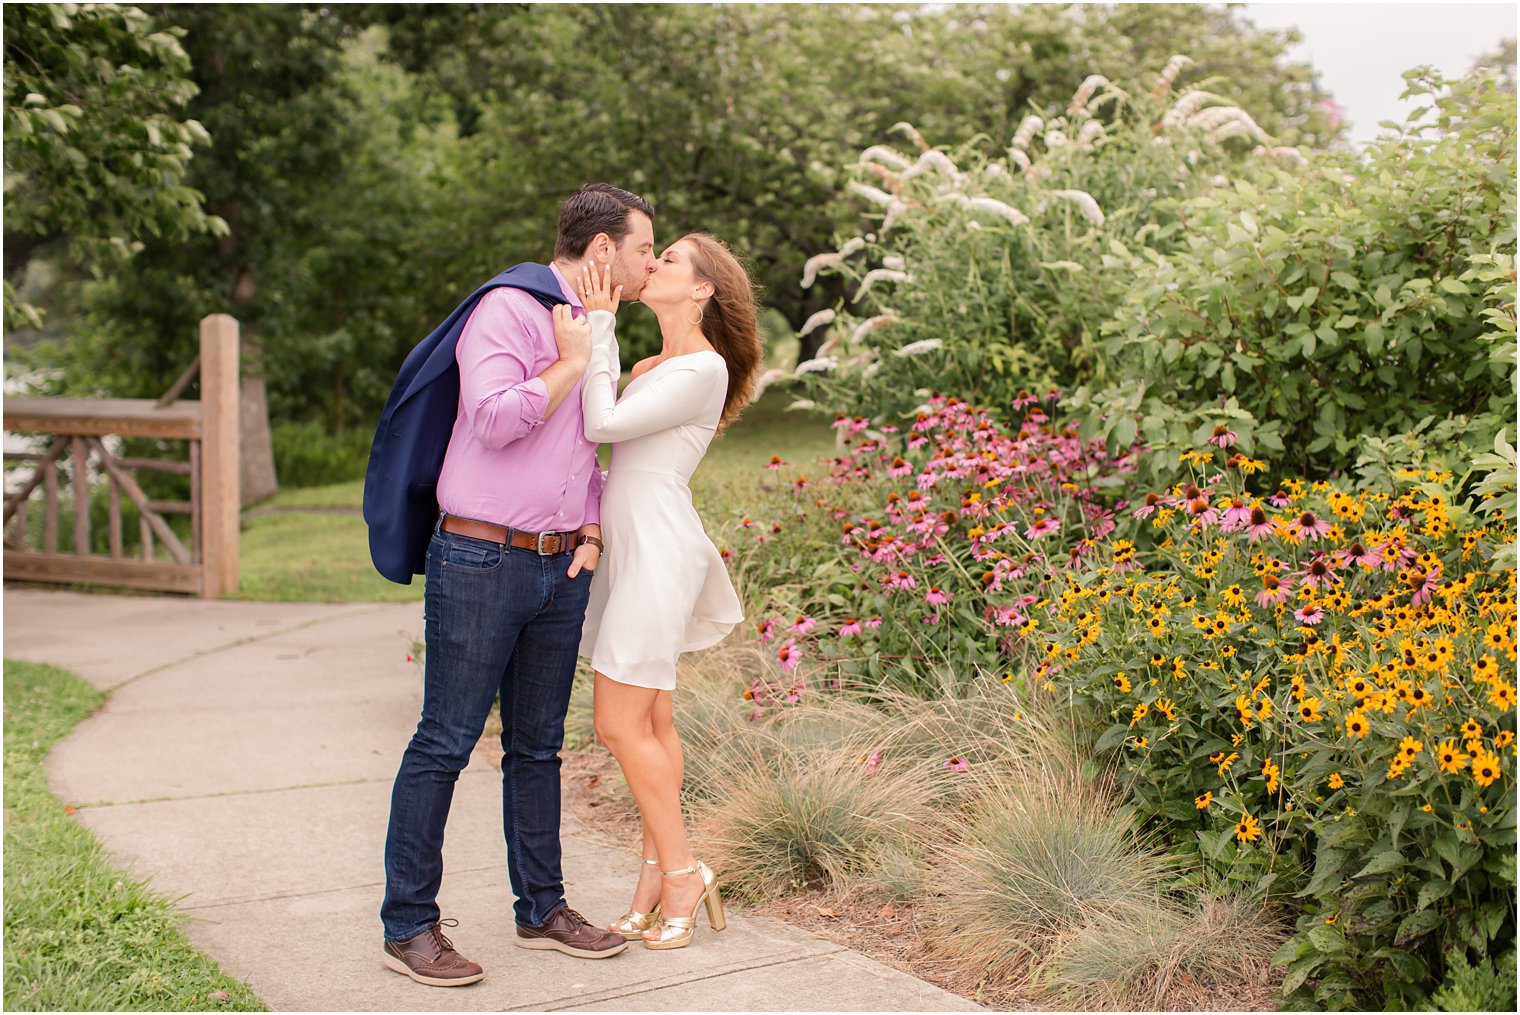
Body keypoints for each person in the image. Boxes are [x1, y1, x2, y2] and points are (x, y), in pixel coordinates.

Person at [380, 184, 658, 987]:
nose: (649, 261)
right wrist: (572, 361)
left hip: (560, 563)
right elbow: (496, 418)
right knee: (445, 740)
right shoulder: (508, 308)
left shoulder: (599, 326)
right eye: (644, 247)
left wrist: (595, 526)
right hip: (483, 557)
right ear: (601, 250)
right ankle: (409, 924)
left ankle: (542, 906)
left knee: (537, 747)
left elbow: (592, 444)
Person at [551, 234, 762, 950]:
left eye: (670, 259)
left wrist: (597, 324)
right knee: (653, 723)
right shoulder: (649, 365)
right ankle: (652, 876)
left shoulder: (704, 367)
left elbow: (601, 422)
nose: (655, 265)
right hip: (628, 545)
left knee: (616, 721)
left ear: (702, 289)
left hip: (661, 548)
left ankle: (682, 870)